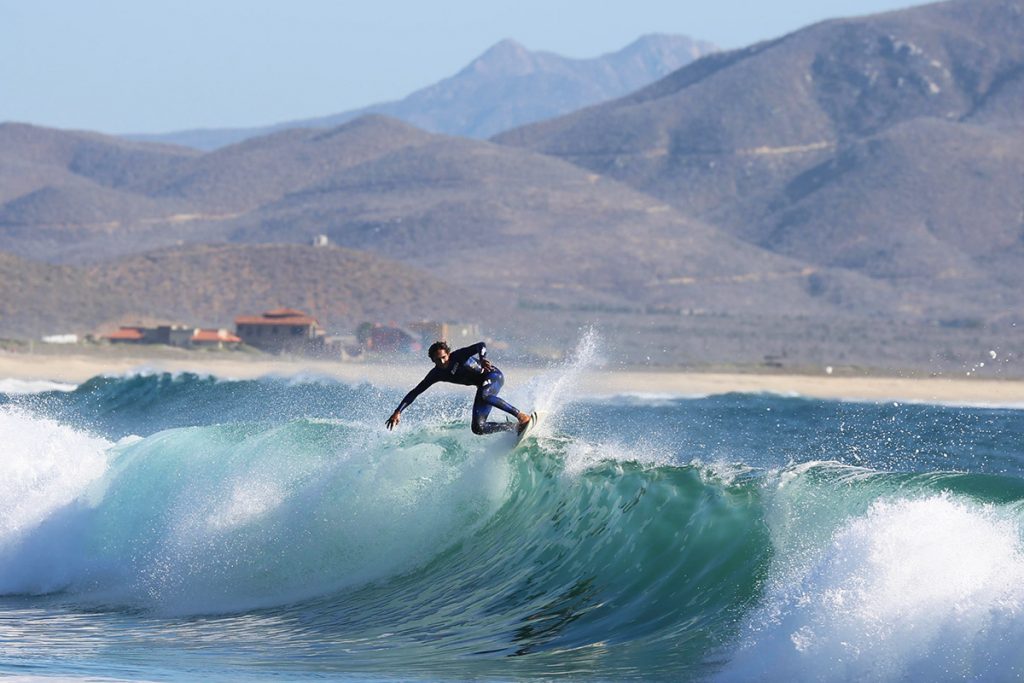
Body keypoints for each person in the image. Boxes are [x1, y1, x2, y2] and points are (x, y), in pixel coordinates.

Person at [386, 340, 531, 435]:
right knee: (478, 428)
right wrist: (398, 411)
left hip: (493, 376)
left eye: (444, 357)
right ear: (432, 360)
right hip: (482, 387)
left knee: (484, 395)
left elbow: (481, 345)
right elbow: (415, 391)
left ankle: (521, 416)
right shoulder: (436, 374)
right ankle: (513, 427)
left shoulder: (458, 356)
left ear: (448, 354)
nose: (442, 361)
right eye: (437, 360)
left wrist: (482, 358)